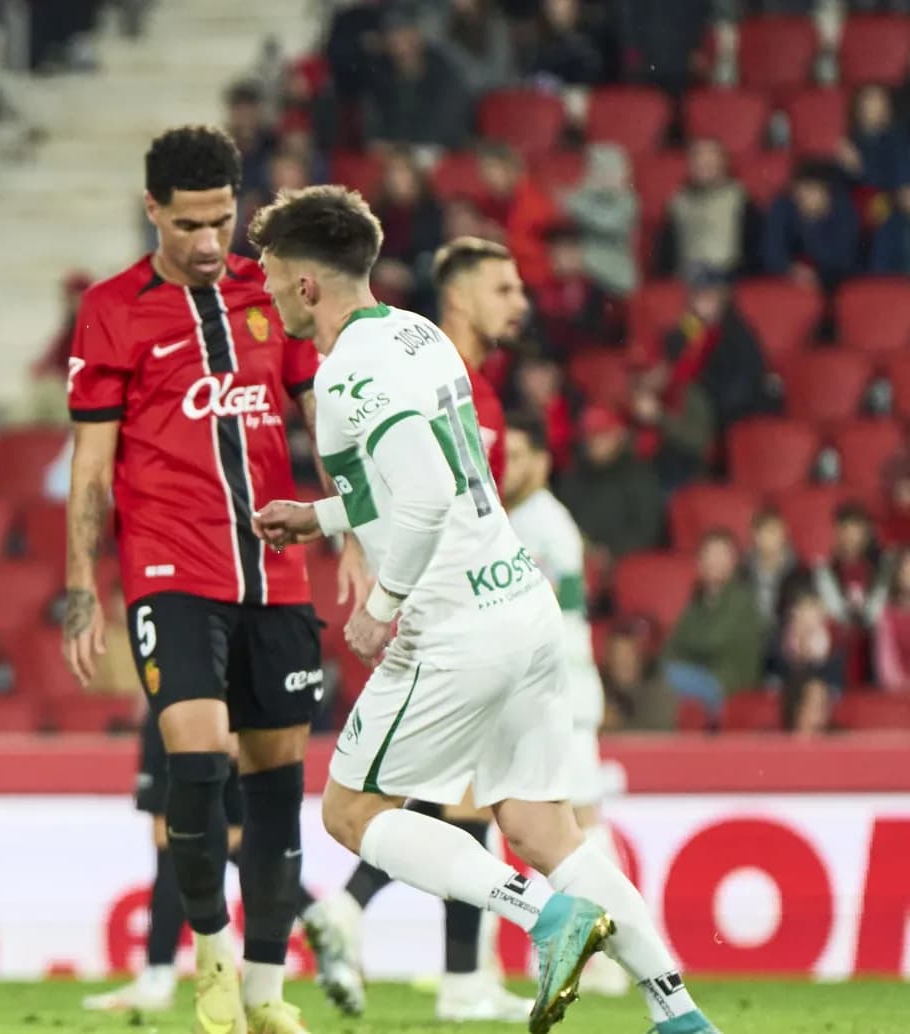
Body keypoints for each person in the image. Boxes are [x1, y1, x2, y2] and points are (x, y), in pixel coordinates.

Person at [250, 184, 721, 1034]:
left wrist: (381, 604)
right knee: (547, 829)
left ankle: (544, 919)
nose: (270, 292)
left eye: (274, 276)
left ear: (306, 284)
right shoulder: (416, 334)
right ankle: (679, 1016)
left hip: (454, 623)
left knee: (352, 812)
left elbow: (427, 498)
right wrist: (322, 516)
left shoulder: (349, 370)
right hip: (521, 605)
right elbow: (430, 482)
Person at [59, 123, 362, 1034]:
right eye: (188, 223)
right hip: (170, 568)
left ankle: (268, 994)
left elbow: (328, 420)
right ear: (152, 209)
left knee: (275, 788)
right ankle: (213, 965)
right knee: (196, 765)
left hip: (276, 574)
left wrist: (349, 525)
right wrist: (85, 583)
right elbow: (89, 466)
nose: (205, 242)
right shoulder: (111, 309)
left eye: (221, 222)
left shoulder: (273, 296)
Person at [311, 234, 532, 1022]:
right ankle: (426, 956)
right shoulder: (433, 374)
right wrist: (361, 562)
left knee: (454, 795)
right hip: (447, 611)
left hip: (460, 605)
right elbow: (412, 494)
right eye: (505, 290)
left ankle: (446, 968)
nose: (522, 303)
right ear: (462, 297)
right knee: (448, 796)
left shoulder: (457, 379)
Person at [504, 413, 628, 997]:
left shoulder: (545, 524)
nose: (507, 466)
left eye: (519, 456)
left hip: (563, 692)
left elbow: (547, 605)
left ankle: (610, 950)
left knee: (578, 823)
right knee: (562, 820)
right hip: (549, 691)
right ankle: (591, 950)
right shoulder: (526, 520)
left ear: (542, 463)